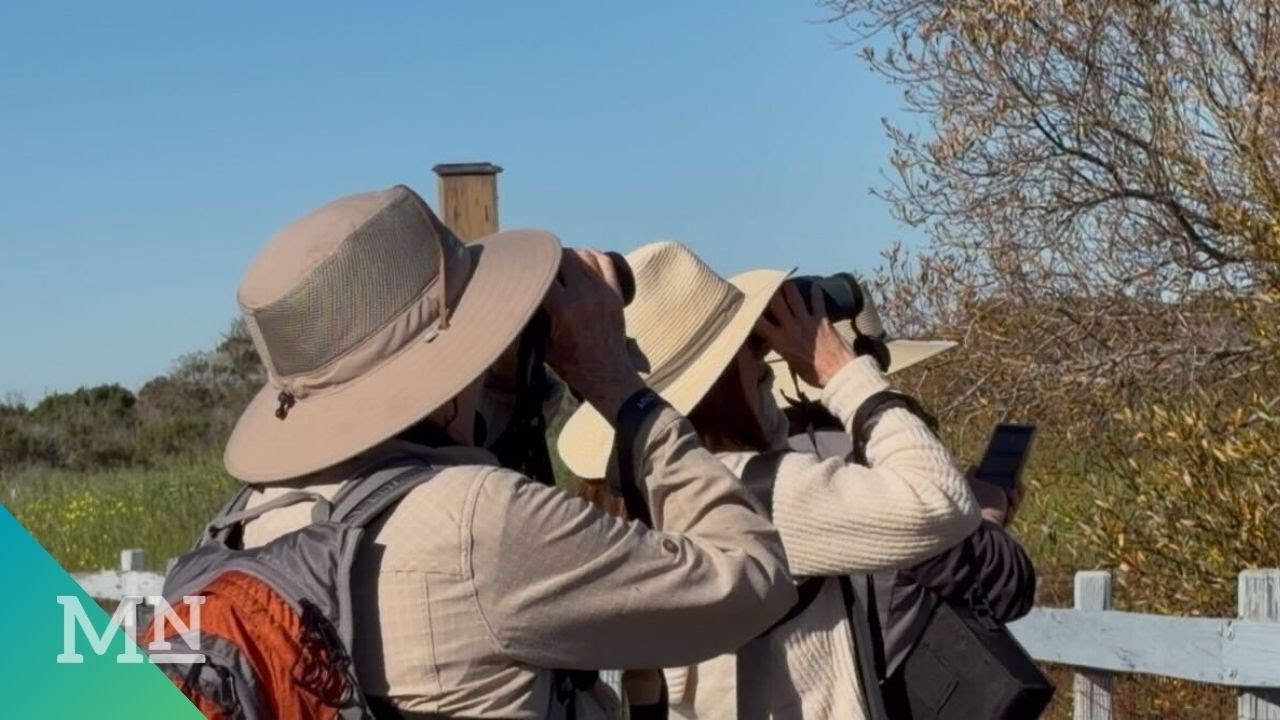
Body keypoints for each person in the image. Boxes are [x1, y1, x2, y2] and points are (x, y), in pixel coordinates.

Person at [223, 186, 797, 718]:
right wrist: (616, 383)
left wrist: (497, 380)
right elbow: (753, 580)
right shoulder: (482, 522)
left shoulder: (250, 521)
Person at [557, 241, 982, 719]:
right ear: (719, 379)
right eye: (750, 347)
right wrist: (841, 371)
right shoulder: (746, 494)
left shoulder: (641, 490)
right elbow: (943, 501)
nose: (766, 362)